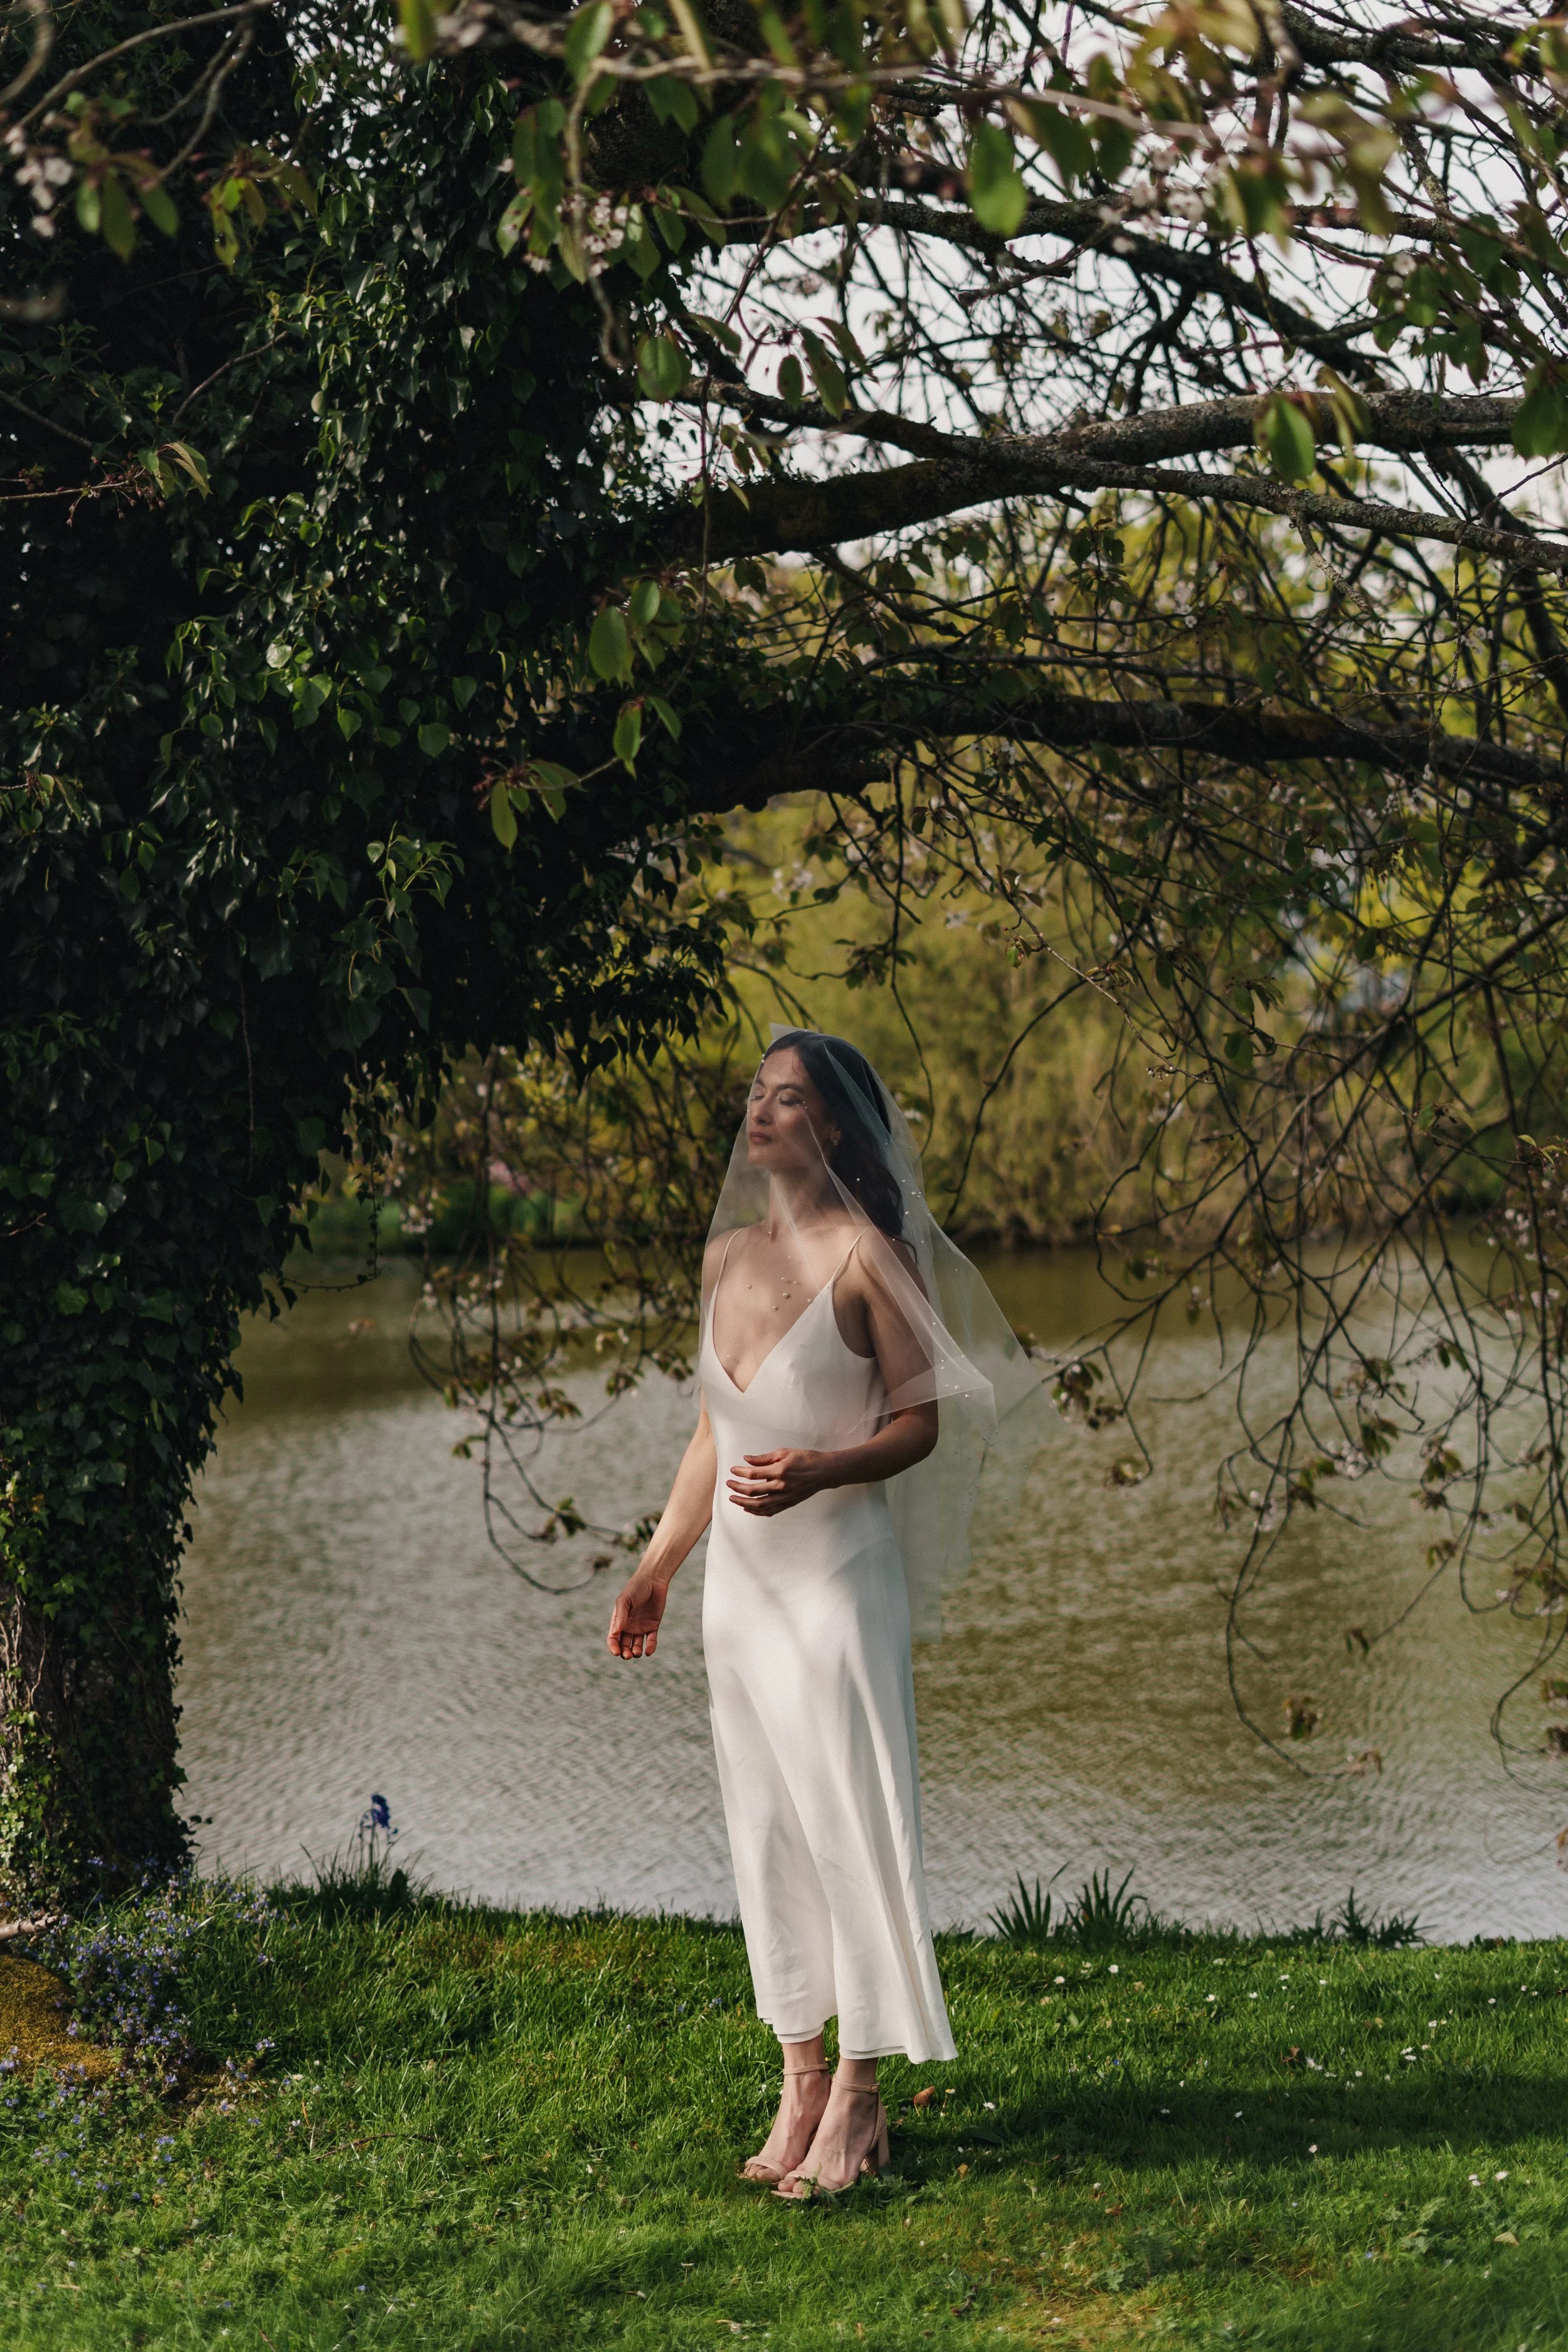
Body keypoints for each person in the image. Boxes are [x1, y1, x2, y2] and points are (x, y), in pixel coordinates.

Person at [607, 1029, 1050, 2198]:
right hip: (738, 1603)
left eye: (788, 1098)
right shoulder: (723, 1258)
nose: (762, 1111)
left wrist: (820, 1469)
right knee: (765, 1829)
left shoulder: (870, 1254)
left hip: (837, 1585)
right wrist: (658, 1565)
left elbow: (923, 1422)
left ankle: (859, 2096)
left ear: (836, 1127)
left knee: (851, 1821)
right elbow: (713, 1432)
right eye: (758, 1091)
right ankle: (798, 2073)